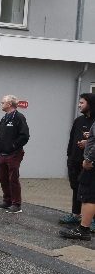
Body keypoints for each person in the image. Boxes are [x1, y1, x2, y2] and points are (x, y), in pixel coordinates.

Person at [60, 94, 95, 227]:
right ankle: (76, 214)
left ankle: (90, 220)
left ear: (90, 104)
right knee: (76, 188)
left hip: (89, 162)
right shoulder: (78, 120)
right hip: (74, 159)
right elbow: (71, 139)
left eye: (82, 102)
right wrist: (69, 156)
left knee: (89, 192)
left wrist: (88, 142)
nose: (79, 105)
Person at [0, 95, 30, 213]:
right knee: (3, 178)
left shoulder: (19, 117)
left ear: (9, 104)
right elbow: (0, 134)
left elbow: (24, 135)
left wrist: (13, 146)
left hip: (14, 153)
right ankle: (7, 200)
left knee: (13, 178)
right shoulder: (4, 118)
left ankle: (16, 204)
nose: (1, 103)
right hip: (2, 153)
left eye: (3, 102)